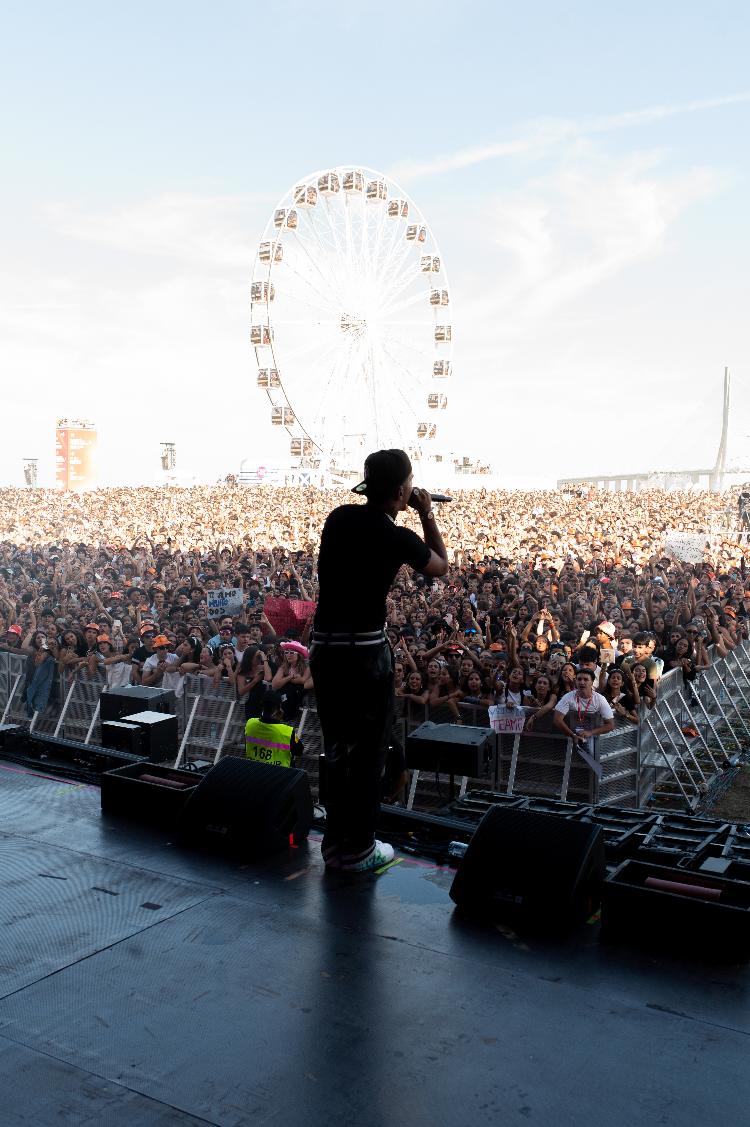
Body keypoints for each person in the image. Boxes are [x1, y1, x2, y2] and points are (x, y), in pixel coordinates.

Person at [309, 448, 448, 873]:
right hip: (365, 654)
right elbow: (440, 567)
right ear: (404, 488)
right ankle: (360, 849)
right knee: (369, 751)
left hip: (325, 651)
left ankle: (334, 844)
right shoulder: (397, 537)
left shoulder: (338, 518)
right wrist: (425, 514)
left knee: (335, 746)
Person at [553, 667, 615, 744]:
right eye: (579, 679)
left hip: (594, 740)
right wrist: (573, 735)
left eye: (586, 679)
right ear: (575, 681)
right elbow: (557, 720)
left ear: (592, 682)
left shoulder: (600, 699)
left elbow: (611, 725)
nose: (582, 682)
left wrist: (590, 733)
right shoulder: (568, 697)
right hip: (570, 737)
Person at [244, 689, 301, 767]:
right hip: (279, 775)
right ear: (279, 709)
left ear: (262, 705)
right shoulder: (288, 731)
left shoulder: (250, 723)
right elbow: (299, 751)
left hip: (253, 771)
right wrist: (279, 722)